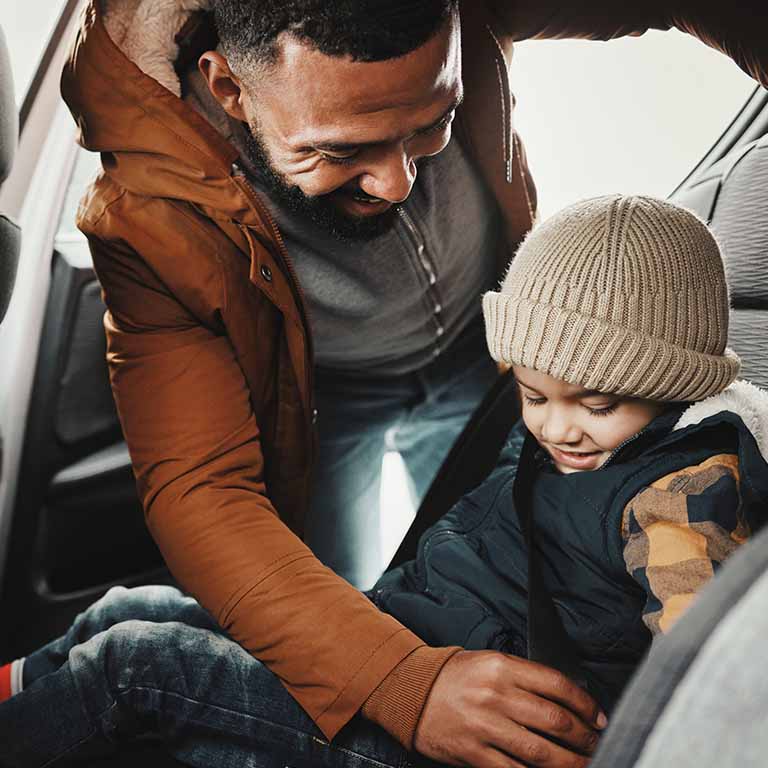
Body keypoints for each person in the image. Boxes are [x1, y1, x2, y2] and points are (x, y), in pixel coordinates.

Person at [57, 0, 768, 763]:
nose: (398, 182)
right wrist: (405, 680)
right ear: (229, 88)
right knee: (336, 624)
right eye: (340, 149)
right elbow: (201, 489)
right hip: (329, 402)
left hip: (496, 363)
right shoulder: (149, 208)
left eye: (434, 122)